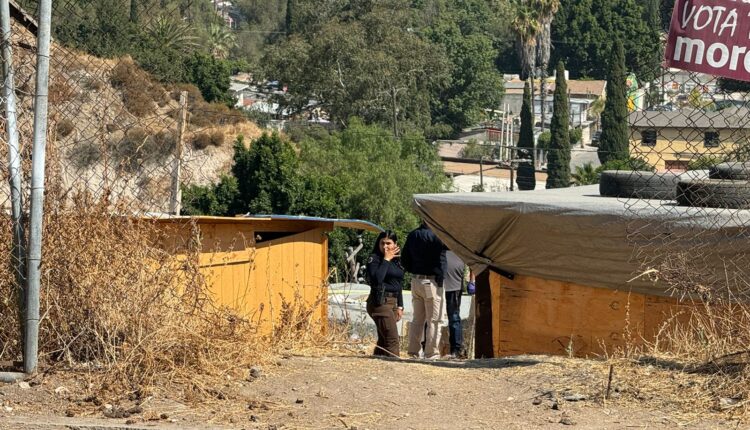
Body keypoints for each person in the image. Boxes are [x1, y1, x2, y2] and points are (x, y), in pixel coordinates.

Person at [401, 222, 446, 359]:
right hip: (431, 282)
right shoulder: (437, 236)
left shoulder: (413, 235)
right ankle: (431, 353)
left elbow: (404, 260)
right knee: (435, 320)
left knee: (417, 319)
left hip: (416, 281)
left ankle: (413, 351)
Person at [365, 230, 405, 357]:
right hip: (380, 302)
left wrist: (400, 305)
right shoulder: (374, 259)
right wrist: (386, 260)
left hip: (392, 303)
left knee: (383, 341)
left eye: (388, 243)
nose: (385, 246)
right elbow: (377, 280)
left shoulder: (396, 260)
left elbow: (398, 284)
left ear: (395, 244)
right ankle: (394, 367)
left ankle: (378, 363)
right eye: (382, 243)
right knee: (392, 340)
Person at [443, 251, 475, 359]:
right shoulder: (438, 240)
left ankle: (456, 350)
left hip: (455, 286)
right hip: (437, 285)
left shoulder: (459, 243)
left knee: (454, 318)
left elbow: (472, 262)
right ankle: (428, 349)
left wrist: (472, 281)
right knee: (432, 318)